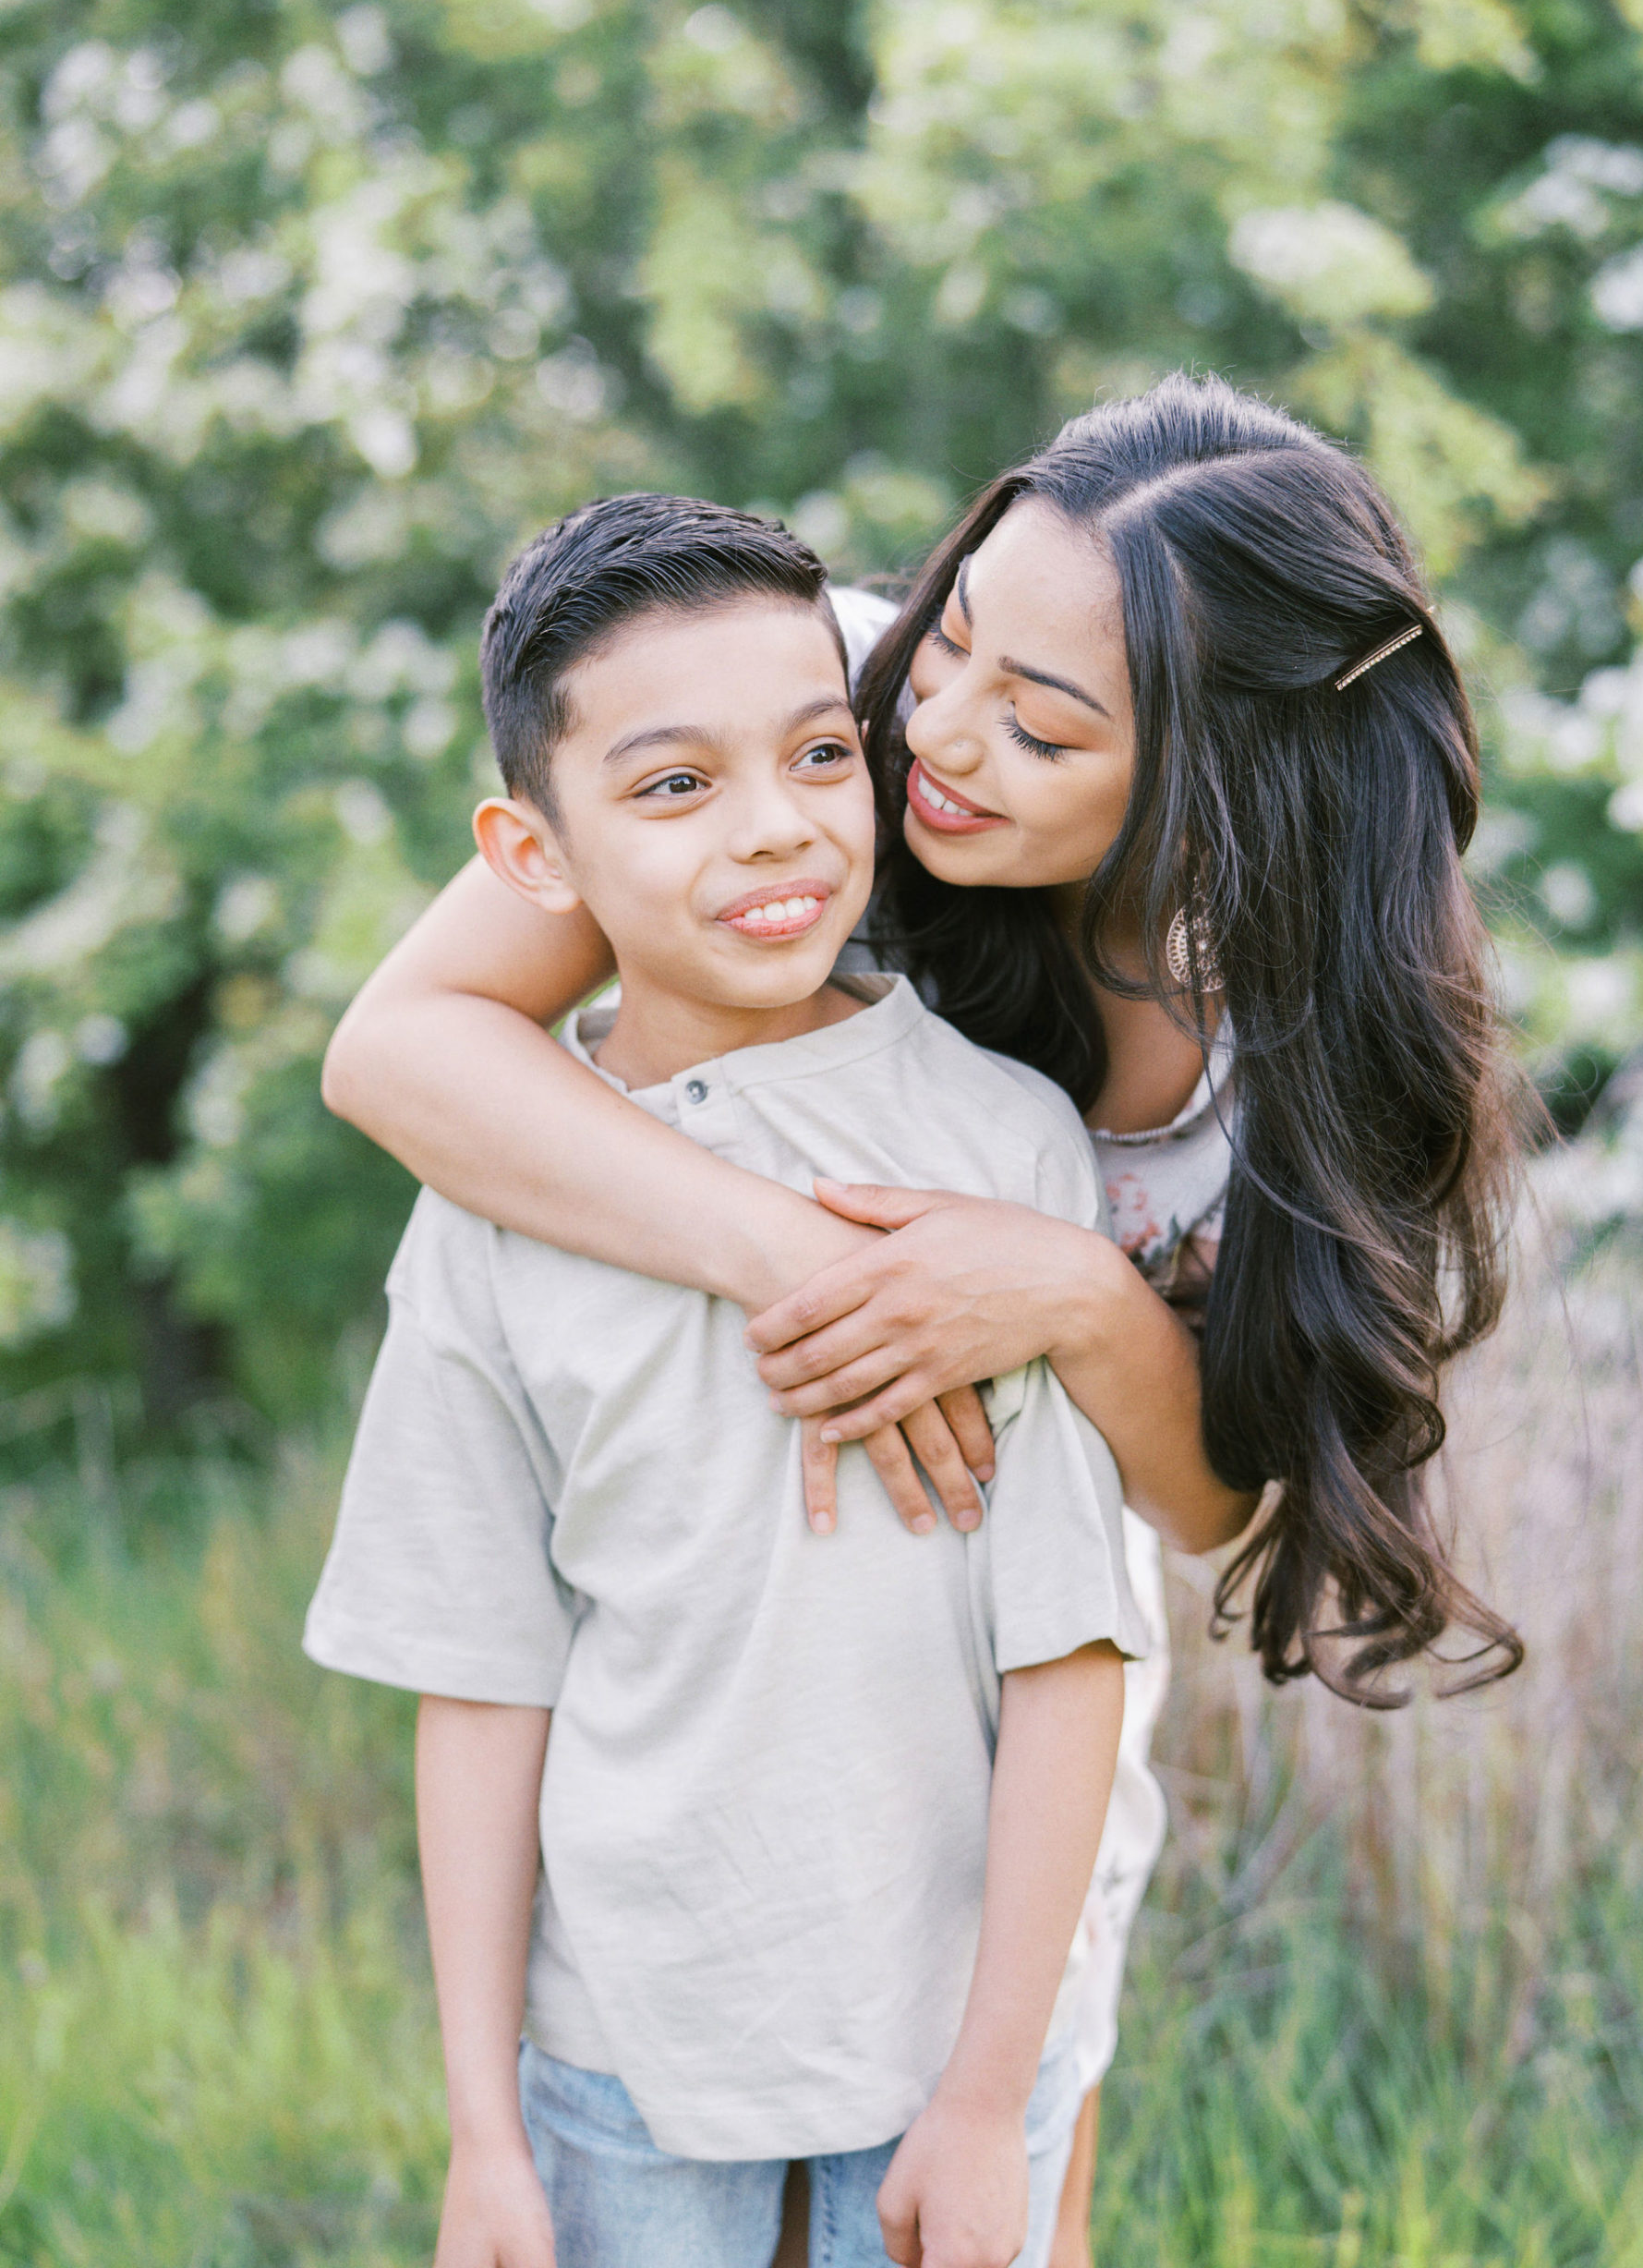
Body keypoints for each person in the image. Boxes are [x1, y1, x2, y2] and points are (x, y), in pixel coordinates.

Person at [321, 373, 1523, 2264]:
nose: (932, 737)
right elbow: (398, 1050)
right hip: (668, 1894)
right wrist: (810, 1263)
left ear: (1217, 783)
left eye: (1039, 725)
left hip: (983, 1808)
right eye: (950, 628)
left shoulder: (1298, 1062)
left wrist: (1064, 1293)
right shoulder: (808, 728)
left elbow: (1216, 1518)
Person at [306, 491, 1154, 2268]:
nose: (774, 832)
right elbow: (479, 1675)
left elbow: (1071, 1650)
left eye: (818, 756)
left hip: (951, 2028)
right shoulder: (494, 1199)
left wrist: (993, 2092)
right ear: (532, 855)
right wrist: (483, 2133)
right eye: (674, 786)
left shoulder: (997, 1149)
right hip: (623, 2046)